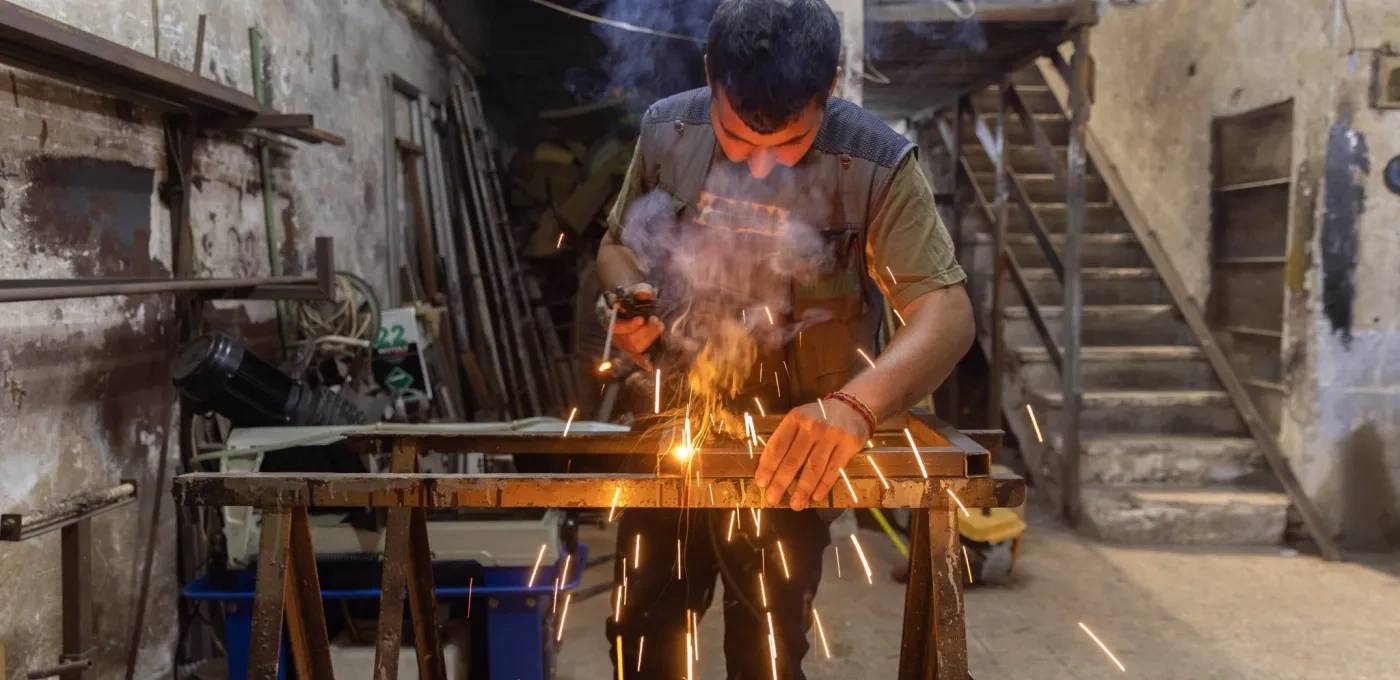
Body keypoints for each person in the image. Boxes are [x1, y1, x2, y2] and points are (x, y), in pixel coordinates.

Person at [593, 1, 974, 676]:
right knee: (642, 636)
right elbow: (616, 245)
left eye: (789, 146)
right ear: (711, 75)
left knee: (765, 652)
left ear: (831, 84)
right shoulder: (667, 131)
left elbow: (946, 314)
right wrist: (629, 298)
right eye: (738, 141)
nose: (761, 167)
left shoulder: (877, 165)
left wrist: (854, 408)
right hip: (674, 427)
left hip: (798, 447)